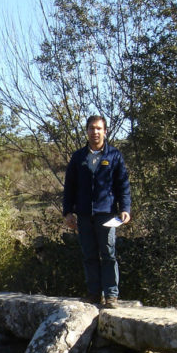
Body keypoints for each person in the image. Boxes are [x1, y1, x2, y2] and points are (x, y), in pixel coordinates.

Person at [62, 115, 131, 308]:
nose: (95, 132)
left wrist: (125, 209)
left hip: (107, 214)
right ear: (87, 131)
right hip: (84, 215)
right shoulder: (78, 157)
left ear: (105, 131)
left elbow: (123, 185)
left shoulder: (114, 156)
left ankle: (111, 295)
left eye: (99, 128)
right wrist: (68, 212)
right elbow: (70, 187)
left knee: (108, 254)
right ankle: (94, 293)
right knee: (89, 254)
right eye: (92, 128)